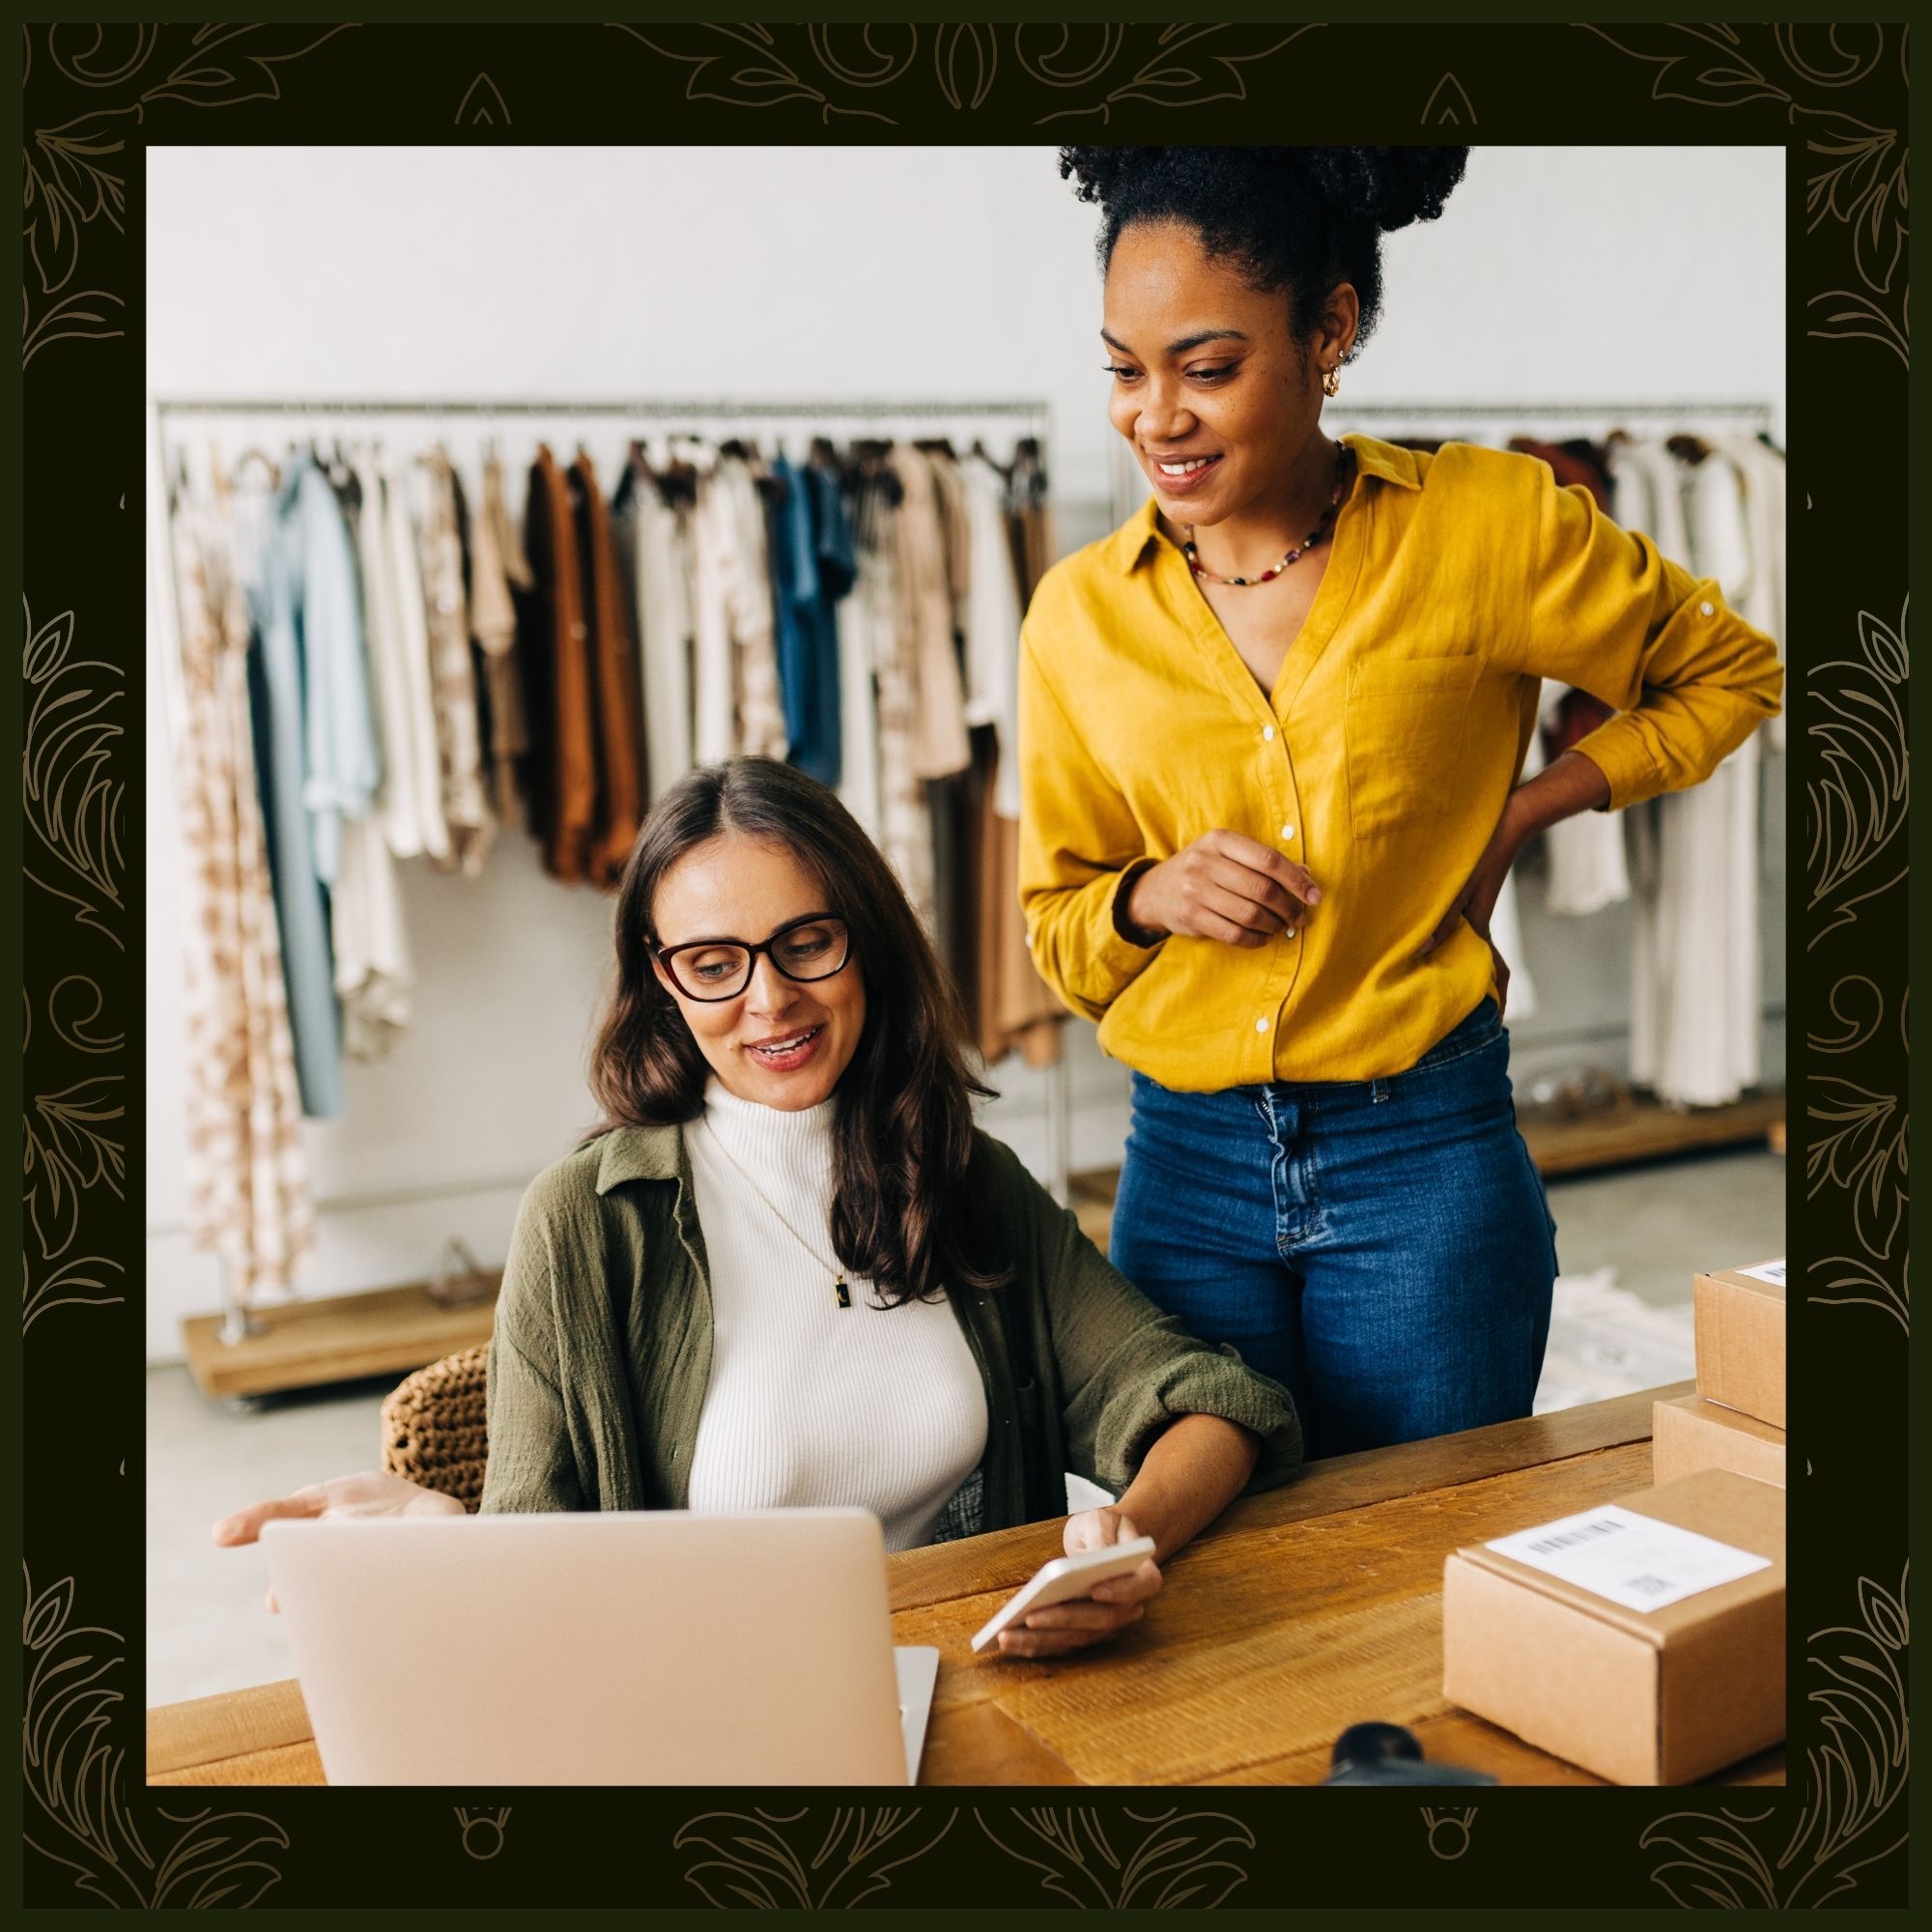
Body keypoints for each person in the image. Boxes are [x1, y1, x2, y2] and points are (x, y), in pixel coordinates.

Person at [1018, 145, 1783, 1458]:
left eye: (1206, 368)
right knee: (1221, 1581)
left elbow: (1731, 673)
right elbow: (1058, 927)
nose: (1156, 416)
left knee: (1424, 1560)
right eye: (1123, 371)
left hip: (1422, 1158)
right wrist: (1147, 895)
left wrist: (1528, 810)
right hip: (1183, 1174)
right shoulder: (1079, 616)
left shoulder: (1486, 528)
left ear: (1330, 331)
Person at [215, 758, 1301, 1658]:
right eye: (711, 963)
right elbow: (535, 1570)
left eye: (804, 942)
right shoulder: (587, 1223)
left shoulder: (963, 1174)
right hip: (716, 1716)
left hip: (987, 1682)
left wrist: (1122, 1542)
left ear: (864, 938)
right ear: (661, 977)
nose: (767, 998)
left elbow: (1208, 1399)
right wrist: (447, 1529)